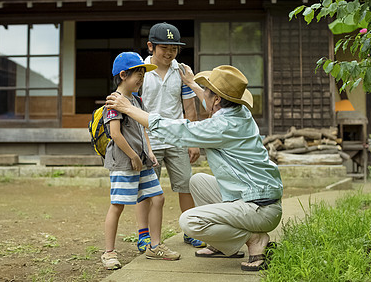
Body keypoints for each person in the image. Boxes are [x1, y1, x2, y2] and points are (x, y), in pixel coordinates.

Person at [106, 64, 283, 272]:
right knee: (197, 181)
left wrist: (128, 108)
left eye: (206, 91)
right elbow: (210, 102)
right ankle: (224, 244)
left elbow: (179, 130)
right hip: (254, 195)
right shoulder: (239, 112)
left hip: (260, 208)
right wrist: (191, 83)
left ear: (216, 99)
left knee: (190, 221)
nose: (203, 94)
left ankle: (254, 239)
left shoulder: (223, 126)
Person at [101, 52, 180, 270]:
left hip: (143, 161)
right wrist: (133, 156)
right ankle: (108, 253)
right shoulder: (113, 101)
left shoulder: (137, 100)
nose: (142, 80)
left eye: (143, 76)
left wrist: (149, 151)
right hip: (124, 163)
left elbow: (143, 128)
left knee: (158, 198)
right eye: (139, 75)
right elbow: (116, 134)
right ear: (123, 75)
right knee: (117, 206)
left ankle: (154, 246)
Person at [135, 22, 205, 251]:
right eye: (164, 47)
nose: (169, 52)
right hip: (149, 139)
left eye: (173, 47)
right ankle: (143, 235)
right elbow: (135, 110)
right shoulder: (140, 71)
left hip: (177, 138)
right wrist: (143, 144)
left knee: (186, 186)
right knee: (147, 190)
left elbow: (190, 109)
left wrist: (193, 141)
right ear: (151, 47)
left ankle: (191, 231)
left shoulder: (181, 71)